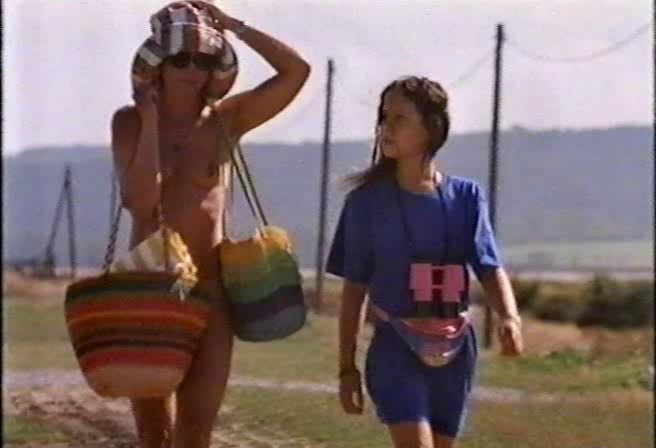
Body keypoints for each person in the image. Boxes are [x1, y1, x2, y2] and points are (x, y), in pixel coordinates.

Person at [110, 1, 310, 447]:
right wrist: (150, 122)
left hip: (211, 291)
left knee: (196, 433)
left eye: (203, 59)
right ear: (158, 64)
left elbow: (296, 72)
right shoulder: (128, 123)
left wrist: (233, 26)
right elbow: (141, 204)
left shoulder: (227, 120)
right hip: (148, 289)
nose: (192, 70)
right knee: (154, 435)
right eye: (180, 58)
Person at [326, 76, 523, 448]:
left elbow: (489, 267)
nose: (386, 127)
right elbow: (354, 290)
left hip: (456, 348)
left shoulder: (466, 197)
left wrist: (509, 318)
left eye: (400, 118)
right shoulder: (366, 203)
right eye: (384, 117)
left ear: (431, 128)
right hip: (395, 345)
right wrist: (346, 369)